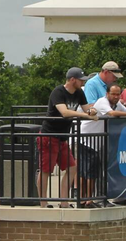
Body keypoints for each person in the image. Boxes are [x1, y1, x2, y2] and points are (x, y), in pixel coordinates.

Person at [38, 68, 98, 205]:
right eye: (81, 80)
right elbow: (64, 112)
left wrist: (92, 110)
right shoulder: (58, 92)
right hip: (49, 136)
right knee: (46, 170)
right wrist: (86, 116)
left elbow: (86, 107)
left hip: (63, 138)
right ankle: (43, 203)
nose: (83, 82)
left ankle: (63, 201)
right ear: (72, 80)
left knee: (72, 167)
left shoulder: (79, 92)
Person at [82, 83, 126, 199]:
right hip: (85, 138)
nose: (116, 97)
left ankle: (95, 198)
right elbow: (112, 113)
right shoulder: (102, 102)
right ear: (107, 94)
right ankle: (85, 200)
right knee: (86, 172)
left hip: (96, 141)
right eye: (113, 94)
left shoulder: (118, 104)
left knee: (94, 171)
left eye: (118, 94)